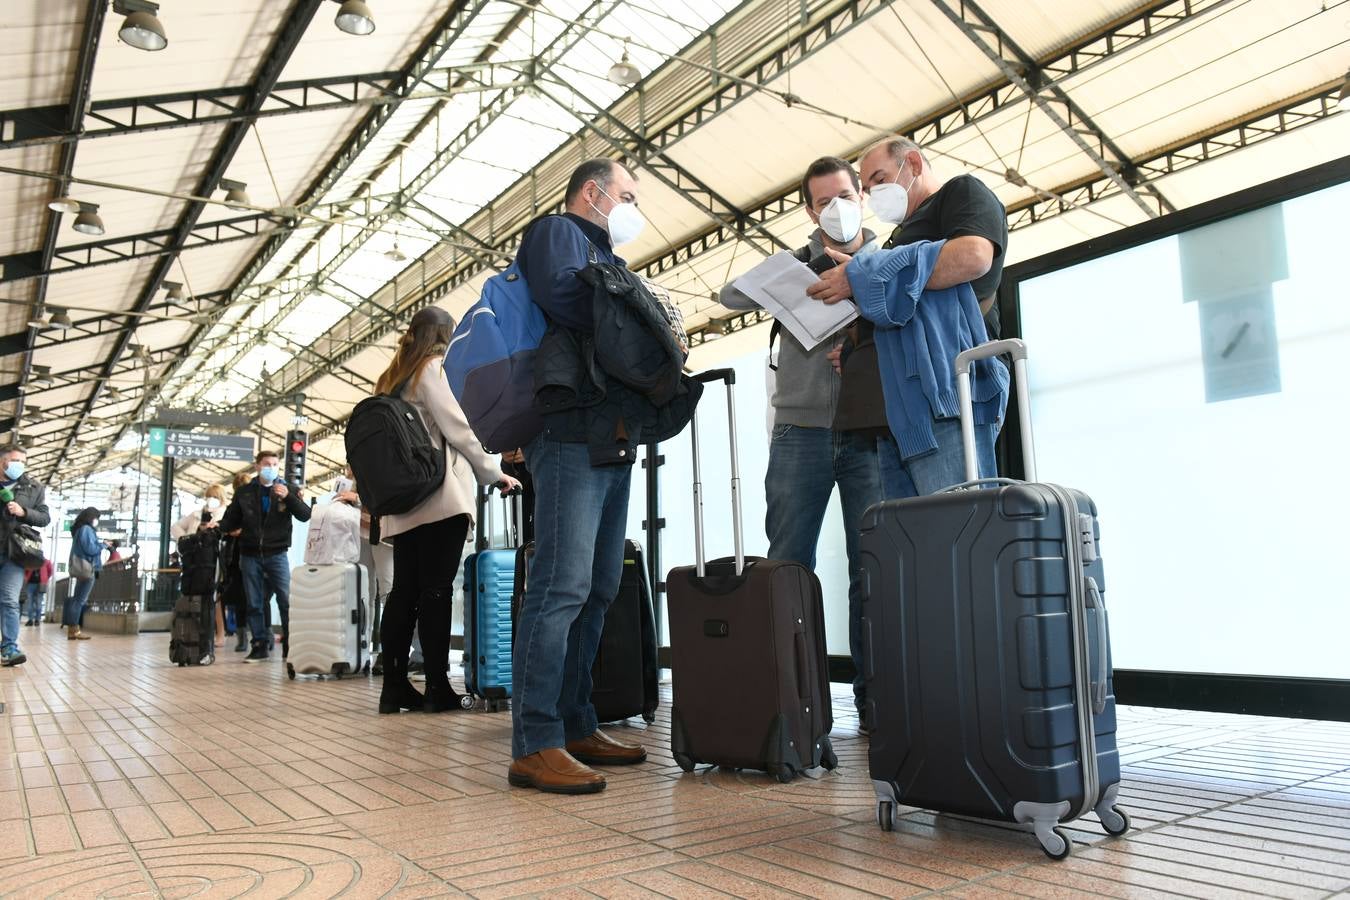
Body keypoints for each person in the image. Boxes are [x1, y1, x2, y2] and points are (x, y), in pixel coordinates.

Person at [509, 158, 700, 794]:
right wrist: (641, 324)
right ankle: (534, 740)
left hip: (609, 434)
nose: (632, 206)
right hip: (567, 434)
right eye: (626, 194)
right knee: (560, 587)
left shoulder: (606, 260)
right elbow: (568, 299)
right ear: (592, 193)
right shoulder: (558, 234)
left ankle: (574, 720)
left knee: (596, 588)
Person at [719, 155, 884, 734]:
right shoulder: (796, 265)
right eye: (823, 201)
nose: (836, 208)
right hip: (799, 432)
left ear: (861, 196)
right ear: (810, 210)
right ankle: (796, 704)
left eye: (844, 195)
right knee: (789, 566)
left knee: (874, 570)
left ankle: (876, 707)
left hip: (870, 433)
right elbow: (727, 297)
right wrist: (789, 268)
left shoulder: (890, 261)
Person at [808, 137, 1010, 497]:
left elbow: (974, 256)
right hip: (897, 410)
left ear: (913, 164)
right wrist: (858, 351)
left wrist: (862, 274)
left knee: (958, 522)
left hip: (946, 391)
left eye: (880, 178)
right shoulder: (898, 238)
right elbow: (902, 304)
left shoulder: (960, 193)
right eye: (868, 188)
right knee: (912, 535)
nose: (874, 194)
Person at [374, 307, 519, 715]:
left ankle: (395, 688)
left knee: (403, 592)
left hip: (402, 505)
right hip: (439, 498)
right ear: (445, 335)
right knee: (436, 591)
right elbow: (459, 428)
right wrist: (495, 473)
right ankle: (438, 687)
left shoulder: (391, 379)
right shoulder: (431, 369)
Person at [219, 450, 311, 662]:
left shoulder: (288, 489)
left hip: (277, 553)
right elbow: (230, 520)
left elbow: (305, 515)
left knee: (285, 600)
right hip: (249, 554)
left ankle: (290, 643)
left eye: (274, 464)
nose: (271, 467)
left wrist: (288, 497)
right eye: (267, 464)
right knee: (254, 602)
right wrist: (223, 528)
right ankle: (259, 644)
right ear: (258, 466)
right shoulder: (244, 492)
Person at [0, 446, 50, 665]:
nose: (19, 464)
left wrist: (23, 512)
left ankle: (9, 648)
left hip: (14, 552)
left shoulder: (33, 487)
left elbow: (44, 517)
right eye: (14, 460)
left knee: (10, 600)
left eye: (22, 461)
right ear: (2, 462)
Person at [219, 470, 252, 653]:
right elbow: (224, 526)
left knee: (253, 599)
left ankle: (254, 636)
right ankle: (244, 636)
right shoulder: (232, 509)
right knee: (242, 599)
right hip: (235, 559)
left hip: (249, 555)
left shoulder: (255, 507)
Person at [66, 506, 102, 641]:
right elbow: (90, 549)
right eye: (97, 518)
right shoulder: (86, 529)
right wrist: (102, 545)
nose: (97, 521)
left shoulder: (79, 529)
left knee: (77, 600)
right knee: (79, 601)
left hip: (81, 568)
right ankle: (74, 630)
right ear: (92, 517)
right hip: (87, 569)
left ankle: (72, 630)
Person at [24, 559, 53, 626]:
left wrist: (45, 578)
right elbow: (25, 570)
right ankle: (31, 620)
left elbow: (50, 571)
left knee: (38, 602)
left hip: (40, 584)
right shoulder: (31, 560)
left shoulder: (46, 561)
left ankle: (37, 620)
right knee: (30, 602)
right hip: (30, 583)